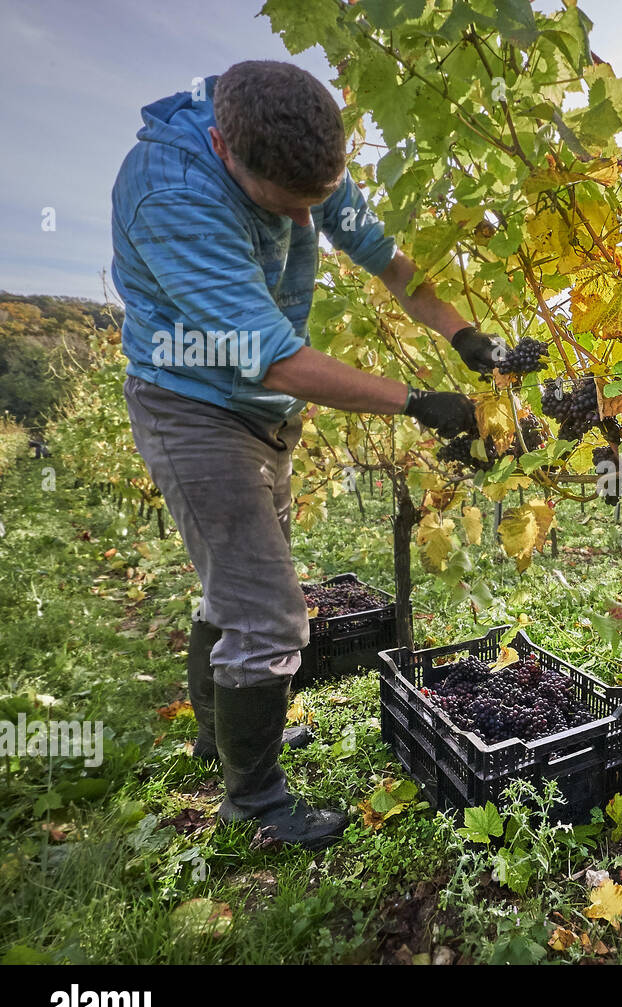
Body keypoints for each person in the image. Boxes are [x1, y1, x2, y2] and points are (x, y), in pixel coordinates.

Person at [112, 61, 509, 848]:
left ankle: (219, 739)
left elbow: (393, 265)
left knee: (238, 585)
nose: (307, 219)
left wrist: (461, 331)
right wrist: (418, 404)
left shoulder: (302, 155)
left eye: (318, 201)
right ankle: (253, 802)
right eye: (290, 205)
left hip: (267, 414)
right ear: (225, 148)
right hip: (195, 406)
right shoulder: (173, 196)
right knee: (270, 613)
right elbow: (276, 359)